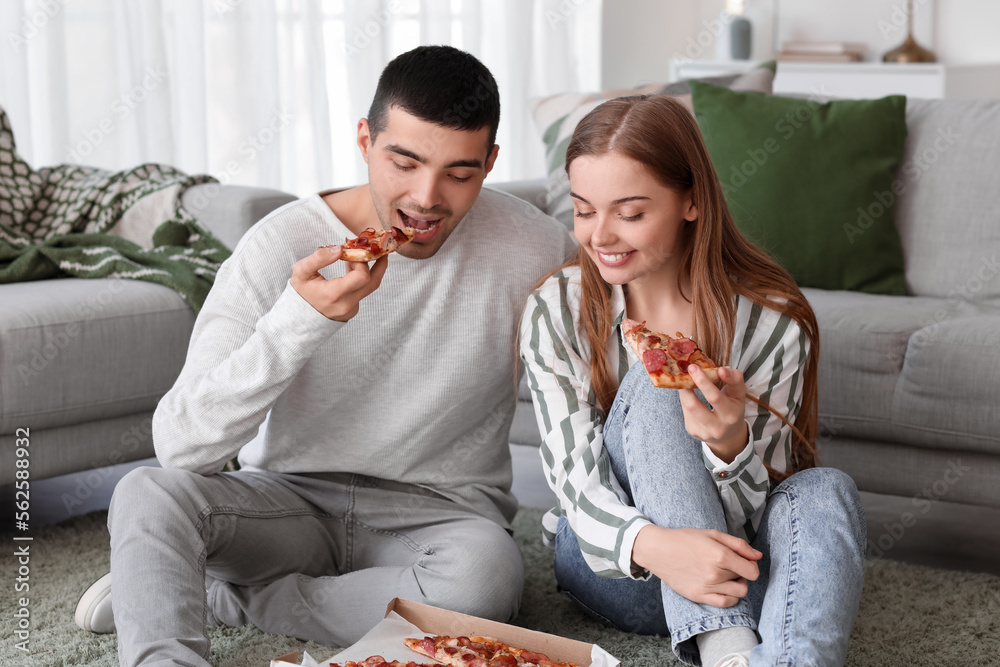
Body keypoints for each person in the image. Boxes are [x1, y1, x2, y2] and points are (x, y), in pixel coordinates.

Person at [73, 45, 575, 666]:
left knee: (487, 583)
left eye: (459, 173)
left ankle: (221, 597)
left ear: (491, 162)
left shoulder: (540, 249)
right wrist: (301, 319)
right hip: (286, 504)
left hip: (438, 518)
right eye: (405, 161)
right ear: (365, 139)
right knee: (148, 494)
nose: (426, 197)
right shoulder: (277, 243)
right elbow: (182, 446)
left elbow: (601, 382)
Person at [518, 95, 866, 667]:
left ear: (692, 202)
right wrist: (657, 546)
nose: (599, 236)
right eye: (583, 210)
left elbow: (753, 520)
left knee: (826, 489)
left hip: (735, 567)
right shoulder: (555, 308)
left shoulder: (772, 321)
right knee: (658, 399)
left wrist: (727, 444)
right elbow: (575, 487)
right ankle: (728, 648)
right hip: (620, 566)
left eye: (629, 213)